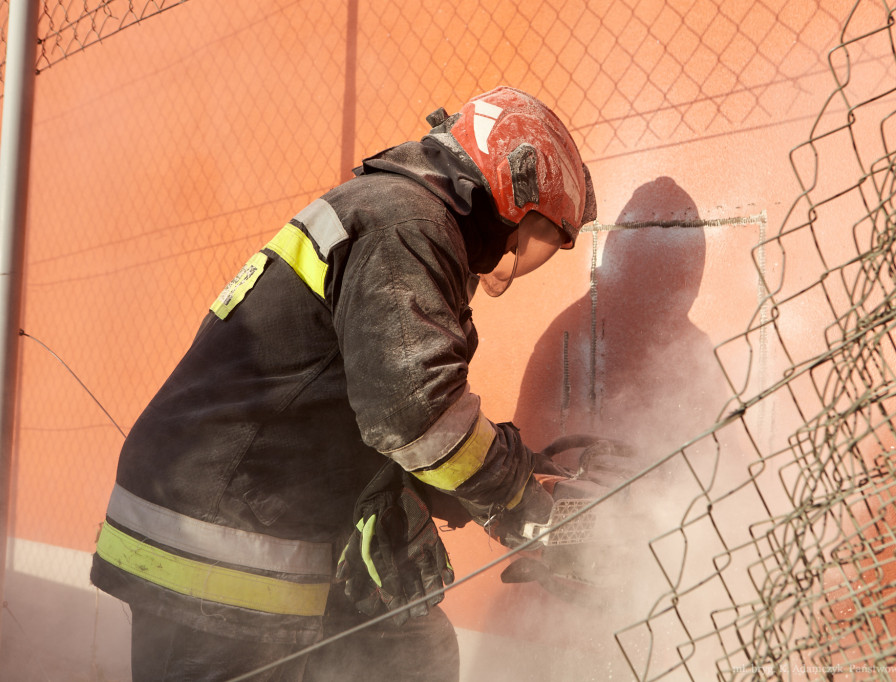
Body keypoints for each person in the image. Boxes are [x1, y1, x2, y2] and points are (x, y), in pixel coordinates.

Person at [90, 86, 597, 681]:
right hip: (216, 539)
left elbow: (373, 411)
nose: (521, 259)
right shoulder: (407, 224)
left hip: (232, 509)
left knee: (415, 646)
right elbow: (416, 416)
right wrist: (524, 504)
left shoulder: (393, 212)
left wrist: (506, 483)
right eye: (541, 235)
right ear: (515, 188)